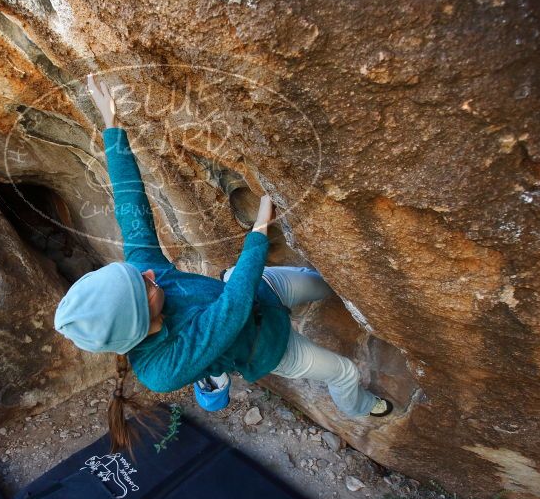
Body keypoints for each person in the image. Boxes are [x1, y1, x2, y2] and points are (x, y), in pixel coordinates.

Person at [54, 75, 393, 451]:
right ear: (137, 323)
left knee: (320, 282)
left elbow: (130, 206)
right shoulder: (160, 370)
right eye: (145, 287)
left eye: (139, 274)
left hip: (255, 293)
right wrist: (259, 231)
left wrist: (112, 128)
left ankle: (208, 366)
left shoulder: (144, 275)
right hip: (267, 346)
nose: (150, 274)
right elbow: (230, 312)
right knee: (344, 371)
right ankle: (359, 406)